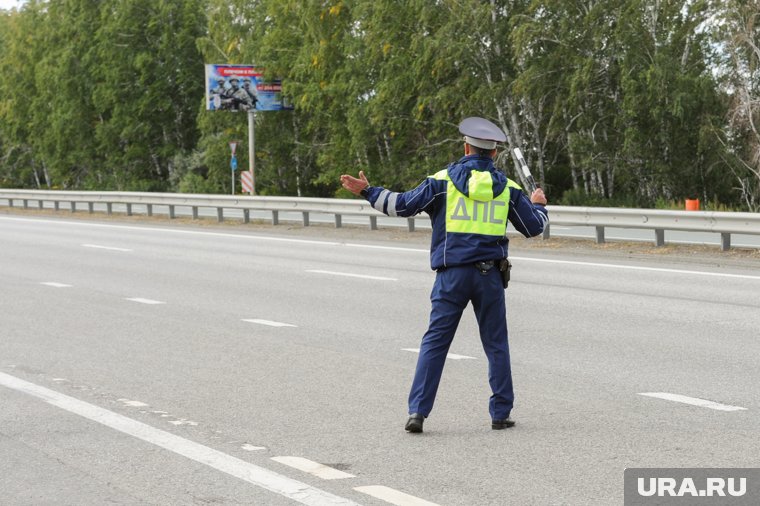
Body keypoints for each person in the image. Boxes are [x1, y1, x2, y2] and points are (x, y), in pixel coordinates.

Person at [340, 117, 548, 433]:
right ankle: (500, 413)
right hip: (489, 276)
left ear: (466, 147)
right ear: (493, 154)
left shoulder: (442, 182)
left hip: (451, 277)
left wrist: (368, 190)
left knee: (435, 343)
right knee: (496, 344)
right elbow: (534, 227)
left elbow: (401, 206)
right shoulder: (508, 188)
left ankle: (418, 413)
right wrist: (540, 206)